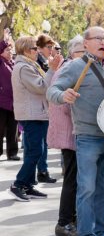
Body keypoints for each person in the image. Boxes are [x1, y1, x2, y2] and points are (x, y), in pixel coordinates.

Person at [47, 26, 104, 236]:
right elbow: (52, 91)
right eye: (99, 38)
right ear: (86, 44)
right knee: (86, 189)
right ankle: (87, 235)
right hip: (87, 137)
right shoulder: (74, 66)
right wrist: (64, 94)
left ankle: (101, 233)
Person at [8, 35, 62, 202]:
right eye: (34, 48)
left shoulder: (29, 65)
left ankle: (28, 185)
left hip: (36, 114)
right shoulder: (24, 67)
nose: (37, 51)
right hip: (32, 115)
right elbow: (41, 87)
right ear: (25, 50)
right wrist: (52, 69)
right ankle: (18, 184)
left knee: (34, 150)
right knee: (35, 151)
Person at [49, 35, 85, 236]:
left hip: (73, 132)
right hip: (71, 134)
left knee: (76, 178)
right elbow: (59, 103)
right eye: (82, 52)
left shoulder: (71, 67)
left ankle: (73, 218)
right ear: (73, 53)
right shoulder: (69, 69)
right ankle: (64, 222)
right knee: (72, 179)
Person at [35, 34, 58, 183]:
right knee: (37, 145)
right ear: (39, 48)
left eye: (52, 47)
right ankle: (39, 172)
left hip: (46, 106)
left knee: (43, 143)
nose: (51, 50)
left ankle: (43, 170)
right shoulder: (38, 62)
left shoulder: (46, 61)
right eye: (48, 47)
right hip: (37, 108)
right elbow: (41, 85)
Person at [0, 28, 19, 161]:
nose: (10, 52)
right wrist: (5, 38)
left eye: (11, 50)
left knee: (13, 129)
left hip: (13, 102)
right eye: (7, 50)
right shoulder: (0, 62)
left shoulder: (13, 63)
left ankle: (12, 153)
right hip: (1, 102)